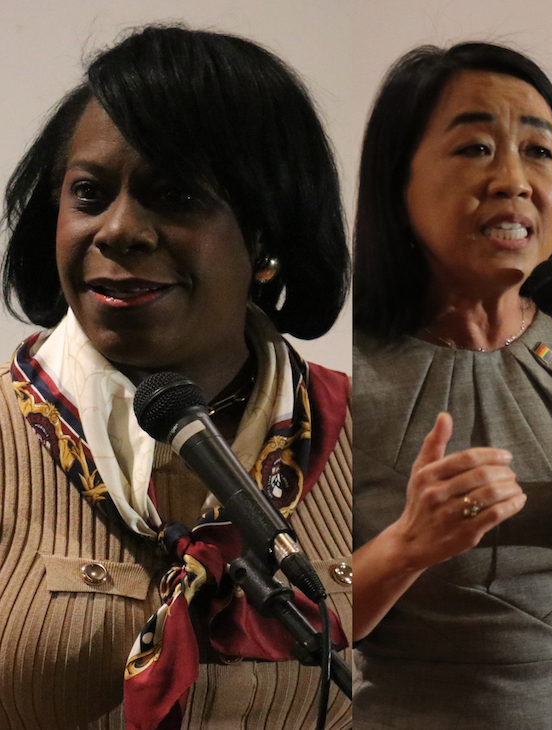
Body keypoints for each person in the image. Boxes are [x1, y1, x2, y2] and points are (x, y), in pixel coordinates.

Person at [0, 25, 353, 730]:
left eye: (177, 197)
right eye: (90, 194)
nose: (120, 229)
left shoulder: (362, 435)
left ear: (266, 239)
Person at [350, 42, 552, 728]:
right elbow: (294, 626)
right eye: (476, 148)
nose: (514, 179)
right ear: (399, 182)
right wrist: (407, 546)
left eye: (539, 152)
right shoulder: (340, 369)